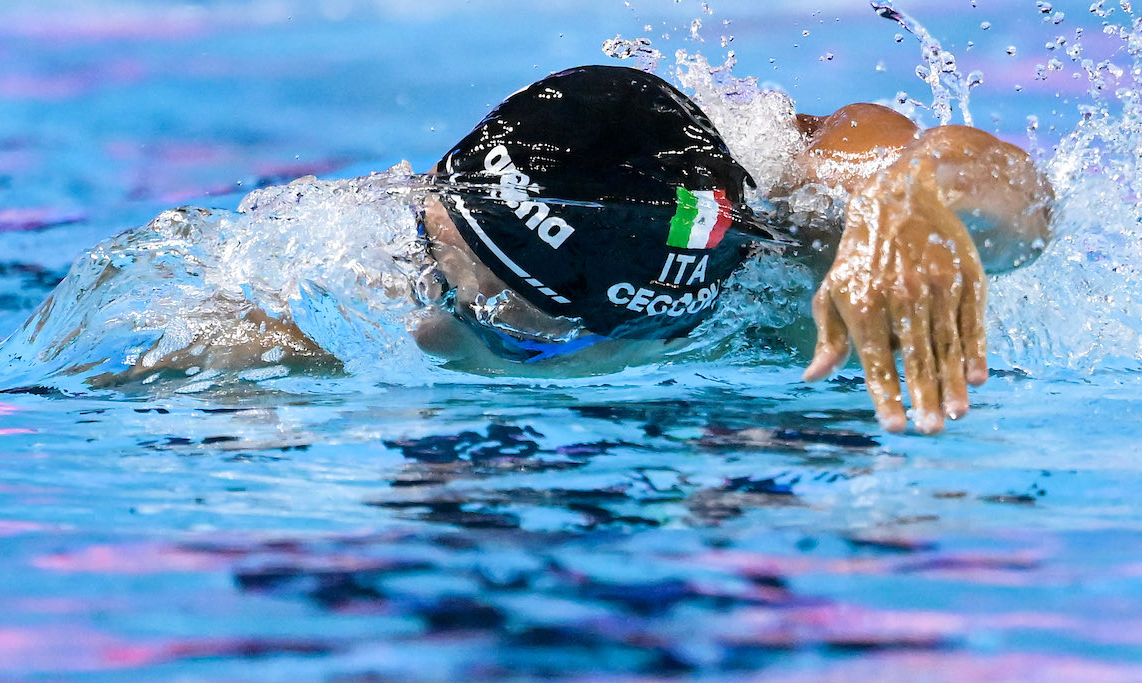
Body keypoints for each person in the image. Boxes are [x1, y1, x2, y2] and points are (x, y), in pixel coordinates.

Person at [410, 65, 1052, 434]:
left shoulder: (811, 226)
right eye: (423, 257)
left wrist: (910, 198)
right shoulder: (381, 254)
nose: (423, 333)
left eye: (506, 331)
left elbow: (1025, 211)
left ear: (650, 323)